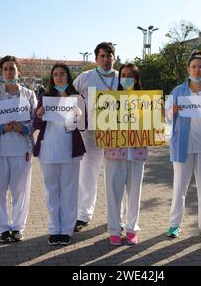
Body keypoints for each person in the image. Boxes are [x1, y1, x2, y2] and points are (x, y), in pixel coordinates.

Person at [0, 55, 37, 243]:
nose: (9, 72)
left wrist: (25, 128)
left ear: (18, 71)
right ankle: (3, 228)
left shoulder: (29, 94)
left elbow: (35, 119)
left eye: (12, 68)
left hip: (22, 150)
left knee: (20, 191)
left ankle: (18, 227)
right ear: (1, 72)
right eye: (5, 69)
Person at [166, 51, 201, 242]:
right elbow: (166, 117)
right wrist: (171, 112)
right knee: (179, 187)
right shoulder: (177, 91)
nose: (197, 70)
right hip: (183, 145)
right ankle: (174, 224)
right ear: (188, 69)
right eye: (194, 66)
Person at [34, 63, 86, 246]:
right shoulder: (45, 97)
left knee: (69, 192)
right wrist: (39, 115)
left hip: (70, 152)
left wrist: (78, 115)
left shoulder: (77, 98)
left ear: (68, 77)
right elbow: (37, 125)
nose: (59, 77)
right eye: (55, 74)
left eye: (62, 74)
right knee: (51, 192)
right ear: (52, 78)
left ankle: (66, 230)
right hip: (49, 151)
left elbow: (81, 126)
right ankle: (54, 229)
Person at [73, 42, 119, 231]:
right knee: (88, 175)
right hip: (91, 135)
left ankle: (117, 216)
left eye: (109, 56)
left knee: (116, 176)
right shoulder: (85, 77)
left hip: (116, 135)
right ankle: (83, 215)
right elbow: (70, 96)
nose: (106, 59)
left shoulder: (122, 77)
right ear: (96, 59)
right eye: (102, 56)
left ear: (114, 58)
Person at [104, 63, 147, 246]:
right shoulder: (109, 100)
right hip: (114, 152)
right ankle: (114, 229)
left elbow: (152, 126)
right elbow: (103, 125)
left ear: (136, 79)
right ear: (119, 78)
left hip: (137, 153)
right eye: (123, 74)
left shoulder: (146, 101)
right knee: (113, 193)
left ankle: (131, 229)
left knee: (134, 194)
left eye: (130, 75)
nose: (127, 77)